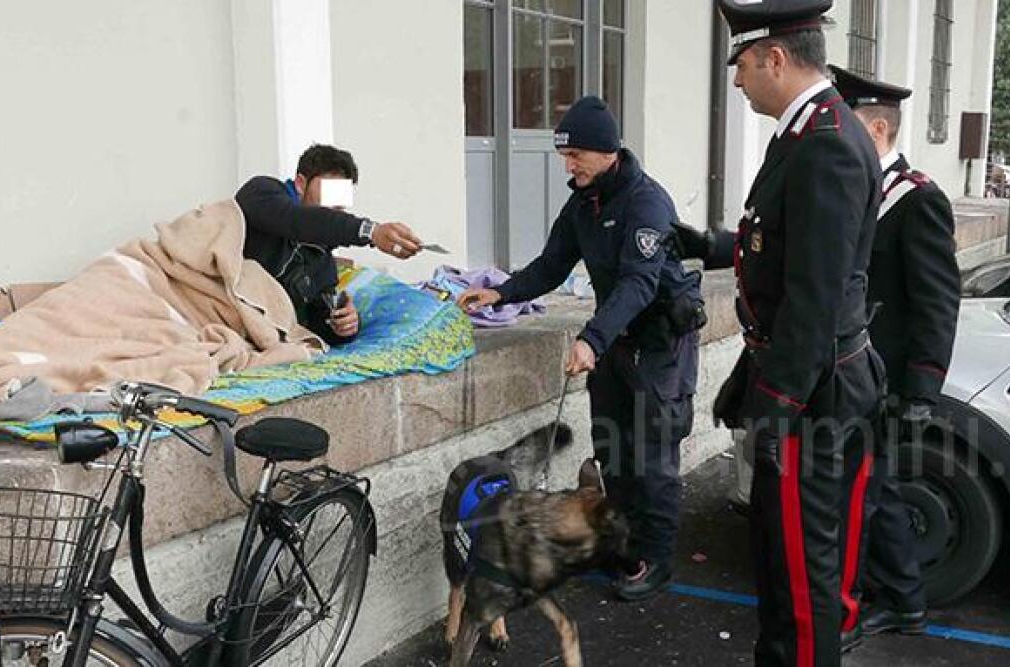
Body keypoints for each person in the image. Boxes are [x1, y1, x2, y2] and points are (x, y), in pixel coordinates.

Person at [457, 96, 706, 601]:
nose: (568, 167)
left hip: (659, 343)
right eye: (564, 156)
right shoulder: (583, 204)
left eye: (576, 156)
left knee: (651, 457)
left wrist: (591, 339)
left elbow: (638, 283)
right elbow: (551, 265)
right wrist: (502, 293)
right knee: (613, 450)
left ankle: (656, 559)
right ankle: (624, 545)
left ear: (608, 151)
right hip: (615, 342)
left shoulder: (645, 203)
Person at [713, 2, 885, 665]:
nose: (737, 80)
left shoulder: (826, 143)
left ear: (776, 59)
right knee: (778, 563)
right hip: (806, 383)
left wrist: (775, 404)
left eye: (742, 65)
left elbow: (815, 296)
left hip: (811, 396)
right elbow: (781, 246)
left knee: (803, 581)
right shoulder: (807, 133)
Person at [829, 65, 961, 651]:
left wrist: (923, 387)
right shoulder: (858, 190)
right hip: (852, 374)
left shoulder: (917, 200)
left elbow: (938, 301)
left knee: (865, 495)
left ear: (878, 130)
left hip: (883, 377)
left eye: (849, 124)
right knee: (871, 491)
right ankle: (904, 600)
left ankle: (878, 603)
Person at [235, 144, 423, 345]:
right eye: (331, 191)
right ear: (300, 184)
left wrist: (346, 324)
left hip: (261, 333)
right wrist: (370, 231)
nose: (338, 204)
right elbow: (298, 220)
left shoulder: (322, 260)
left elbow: (319, 325)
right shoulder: (262, 193)